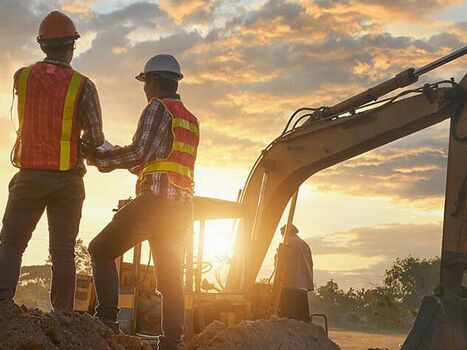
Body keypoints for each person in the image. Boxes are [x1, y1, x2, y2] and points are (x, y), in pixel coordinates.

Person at [87, 54, 199, 350]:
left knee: (100, 249)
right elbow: (155, 161)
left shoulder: (156, 108)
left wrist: (101, 157)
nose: (144, 90)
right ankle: (172, 342)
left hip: (157, 202)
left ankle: (106, 323)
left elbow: (139, 153)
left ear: (154, 81)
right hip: (182, 208)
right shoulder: (189, 118)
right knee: (171, 277)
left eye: (145, 83)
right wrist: (119, 158)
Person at [0, 11, 104, 311]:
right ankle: (64, 318)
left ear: (42, 46)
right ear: (72, 47)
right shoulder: (83, 85)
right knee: (62, 252)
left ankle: (3, 308)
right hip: (68, 179)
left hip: (29, 177)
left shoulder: (22, 76)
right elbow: (95, 138)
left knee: (11, 243)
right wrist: (77, 145)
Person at [276, 224, 314, 321]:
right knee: (301, 317)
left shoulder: (287, 243)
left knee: (287, 316)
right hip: (302, 285)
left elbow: (279, 262)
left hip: (288, 284)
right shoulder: (304, 244)